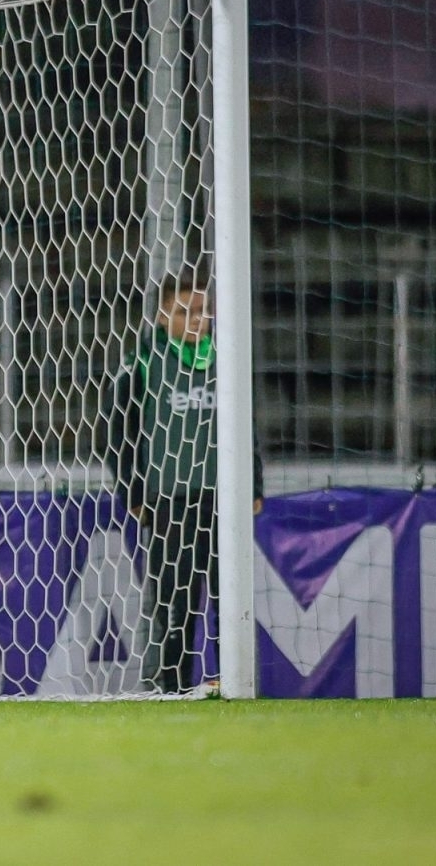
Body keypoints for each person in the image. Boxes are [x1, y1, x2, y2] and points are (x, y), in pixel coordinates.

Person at [105, 267, 263, 695]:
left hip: (224, 499)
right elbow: (119, 432)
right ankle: (170, 687)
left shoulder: (227, 359)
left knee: (231, 598)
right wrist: (132, 491)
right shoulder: (142, 362)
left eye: (203, 310)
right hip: (170, 500)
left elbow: (247, 424)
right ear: (162, 316)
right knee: (174, 603)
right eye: (184, 311)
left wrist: (254, 483)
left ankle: (235, 681)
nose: (197, 319)